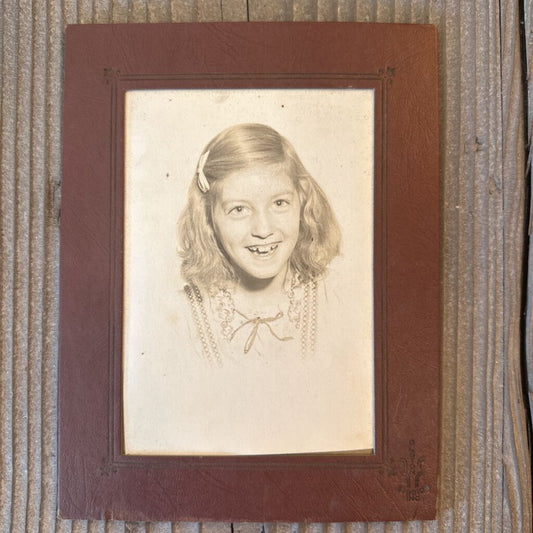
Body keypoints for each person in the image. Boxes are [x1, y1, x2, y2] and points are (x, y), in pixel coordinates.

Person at [177, 122, 342, 364]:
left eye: (279, 203)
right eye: (239, 209)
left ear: (302, 200)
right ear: (208, 217)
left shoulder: (338, 300)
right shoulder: (182, 318)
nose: (263, 230)